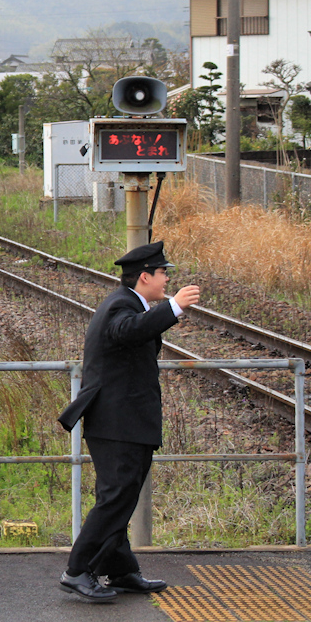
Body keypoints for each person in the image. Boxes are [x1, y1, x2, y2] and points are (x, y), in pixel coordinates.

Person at [56, 241, 201, 603]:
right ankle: (76, 571)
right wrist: (174, 307)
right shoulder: (120, 306)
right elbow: (129, 331)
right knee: (115, 498)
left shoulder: (128, 304)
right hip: (116, 424)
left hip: (126, 423)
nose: (167, 278)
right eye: (163, 273)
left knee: (121, 497)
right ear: (145, 277)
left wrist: (166, 308)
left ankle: (119, 569)